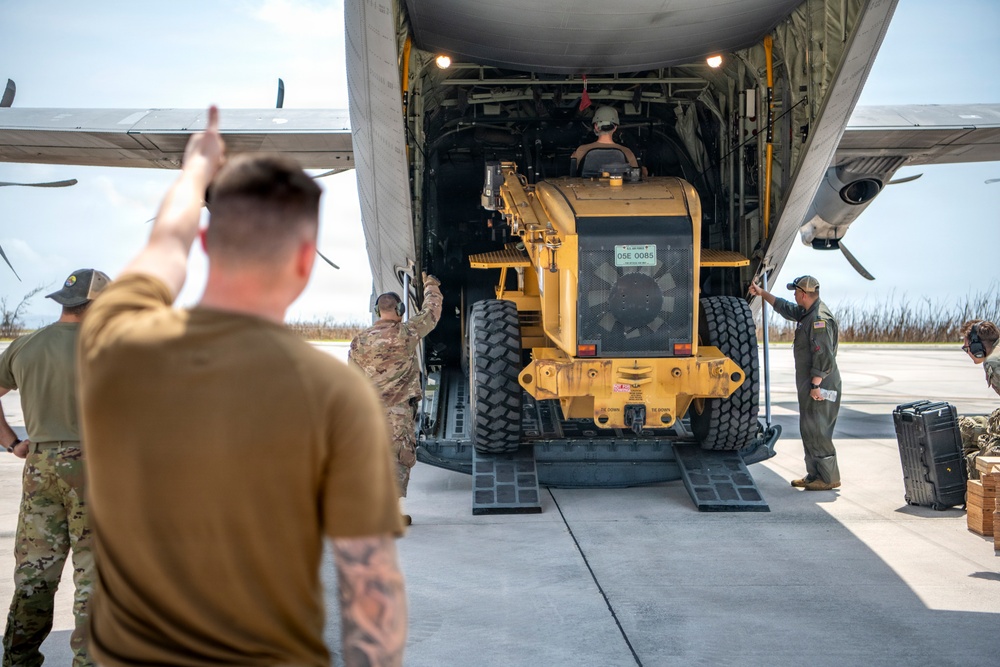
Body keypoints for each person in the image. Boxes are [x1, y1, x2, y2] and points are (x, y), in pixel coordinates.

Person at [76, 107, 407, 667]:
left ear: (206, 246)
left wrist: (195, 177)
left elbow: (163, 254)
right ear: (305, 263)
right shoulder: (335, 394)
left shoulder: (117, 344)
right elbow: (369, 583)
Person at [0, 268, 109, 667]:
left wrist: (12, 442)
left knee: (34, 574)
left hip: (41, 466)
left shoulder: (26, 346)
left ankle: (17, 660)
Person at [349, 275, 443, 524]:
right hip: (397, 413)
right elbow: (432, 312)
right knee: (397, 459)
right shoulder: (406, 333)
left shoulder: (360, 341)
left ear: (376, 310)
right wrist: (431, 285)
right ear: (400, 310)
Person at [750, 275, 842, 491]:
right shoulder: (808, 312)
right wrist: (762, 293)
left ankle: (829, 477)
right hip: (812, 383)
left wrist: (815, 385)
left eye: (795, 291)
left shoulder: (819, 319)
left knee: (818, 429)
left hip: (821, 385)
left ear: (803, 294)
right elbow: (786, 308)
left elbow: (824, 356)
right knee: (809, 428)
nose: (793, 294)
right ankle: (815, 474)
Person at [957, 319, 1000, 478]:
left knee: (979, 467)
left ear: (976, 347)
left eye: (966, 348)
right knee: (966, 426)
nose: (967, 352)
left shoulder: (994, 362)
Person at [570, 105, 640, 173]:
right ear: (615, 128)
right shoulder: (627, 152)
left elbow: (573, 176)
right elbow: (635, 176)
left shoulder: (582, 150)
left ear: (596, 127)